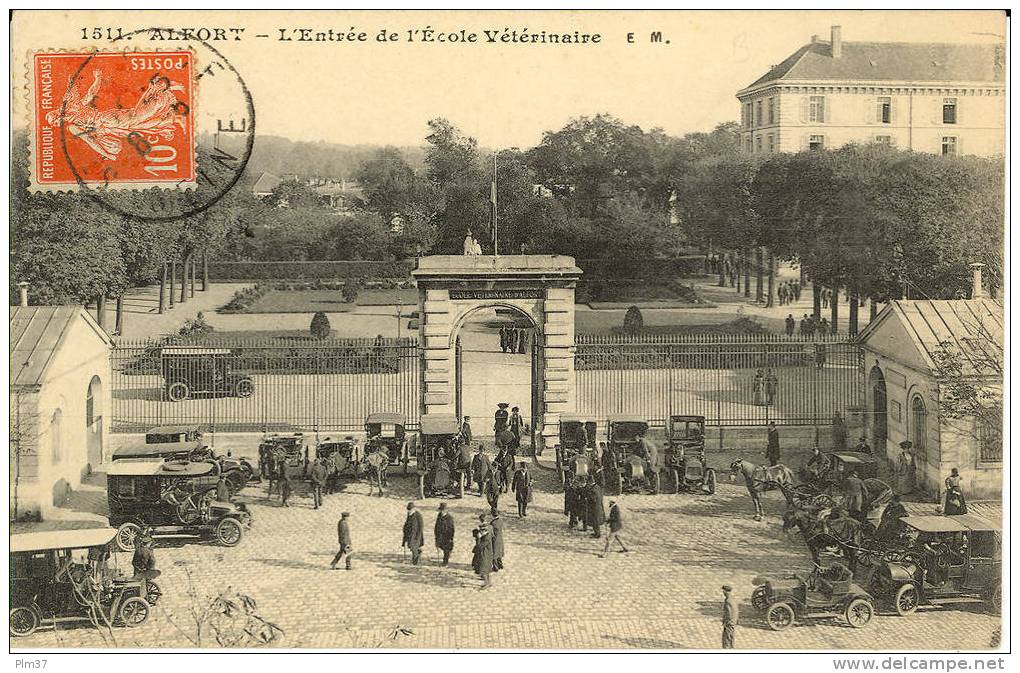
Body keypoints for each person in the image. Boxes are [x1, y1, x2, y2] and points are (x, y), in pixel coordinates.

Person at [473, 523, 494, 589]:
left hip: (485, 556)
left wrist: (478, 538)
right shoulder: (486, 536)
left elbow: (479, 546)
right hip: (486, 555)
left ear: (484, 531)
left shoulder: (486, 538)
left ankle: (486, 583)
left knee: (483, 570)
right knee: (486, 570)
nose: (480, 532)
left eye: (481, 531)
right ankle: (488, 582)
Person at [721, 585, 737, 649]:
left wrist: (726, 622)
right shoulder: (732, 599)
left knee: (726, 638)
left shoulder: (728, 601)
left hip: (729, 622)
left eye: (723, 591)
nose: (723, 592)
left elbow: (729, 613)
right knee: (731, 637)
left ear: (726, 592)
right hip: (733, 621)